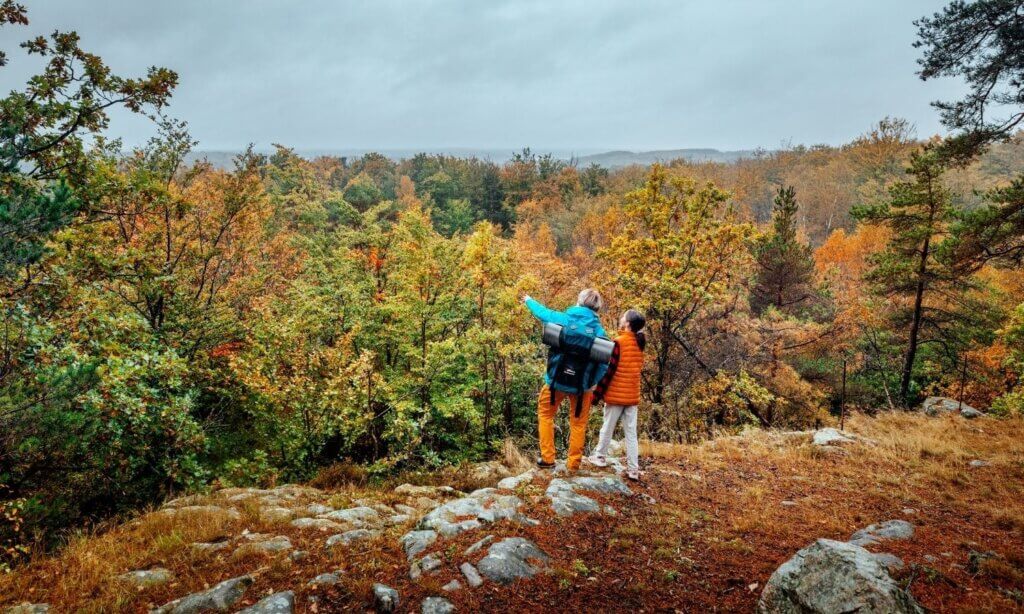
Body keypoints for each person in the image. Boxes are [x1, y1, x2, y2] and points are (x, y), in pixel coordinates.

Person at [523, 289, 607, 471]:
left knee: (545, 415)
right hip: (582, 387)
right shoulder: (600, 332)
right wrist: (593, 382)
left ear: (579, 301)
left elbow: (542, 313)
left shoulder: (563, 319)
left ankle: (548, 458)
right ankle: (573, 465)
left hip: (555, 382)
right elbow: (604, 364)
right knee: (578, 424)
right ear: (597, 308)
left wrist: (529, 300)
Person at [589, 309, 646, 480]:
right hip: (632, 395)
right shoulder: (640, 342)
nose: (621, 319)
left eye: (623, 317)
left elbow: (608, 372)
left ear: (627, 324)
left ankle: (600, 456)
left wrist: (596, 395)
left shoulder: (618, 342)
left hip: (615, 395)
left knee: (607, 427)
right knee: (631, 433)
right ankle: (633, 469)